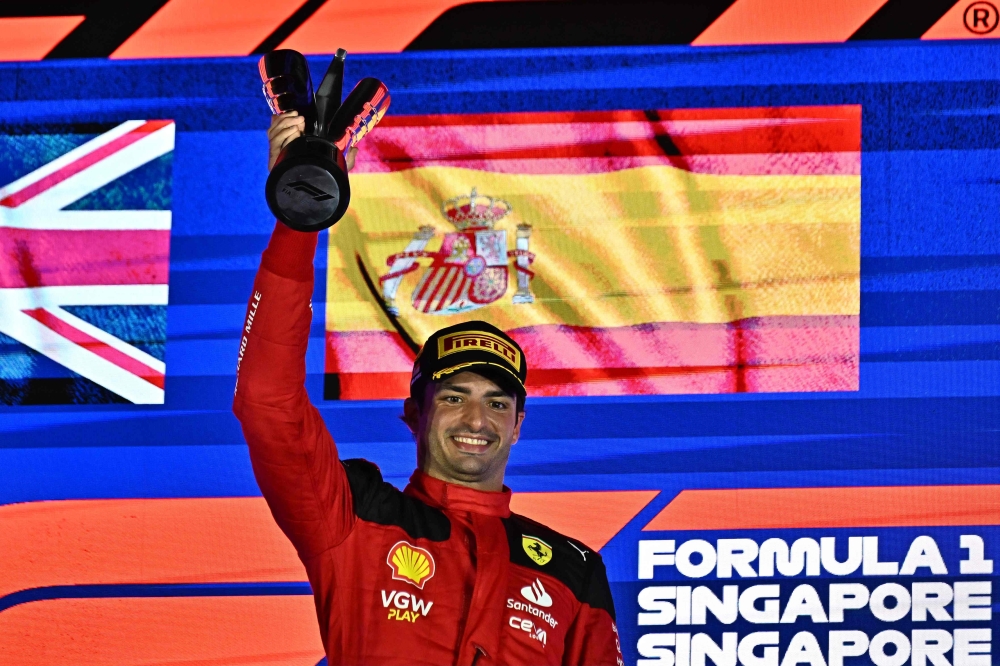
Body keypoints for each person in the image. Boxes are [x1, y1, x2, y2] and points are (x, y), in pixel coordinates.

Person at [232, 111, 624, 666]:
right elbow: (267, 403)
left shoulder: (573, 570)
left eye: (496, 402)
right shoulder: (353, 516)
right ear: (413, 413)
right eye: (454, 397)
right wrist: (300, 219)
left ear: (518, 424)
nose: (475, 421)